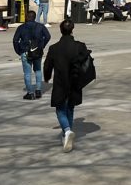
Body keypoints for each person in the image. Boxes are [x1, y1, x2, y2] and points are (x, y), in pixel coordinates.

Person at [43, 18, 89, 152]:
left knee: (60, 109)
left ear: (60, 30)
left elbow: (47, 66)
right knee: (70, 108)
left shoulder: (54, 48)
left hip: (60, 82)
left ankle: (67, 131)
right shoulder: (80, 46)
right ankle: (66, 134)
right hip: (75, 81)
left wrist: (46, 78)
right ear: (72, 29)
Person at [12, 12, 51, 99]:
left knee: (27, 73)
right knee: (38, 70)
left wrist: (19, 51)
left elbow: (15, 40)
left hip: (25, 51)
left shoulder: (21, 27)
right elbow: (48, 36)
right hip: (38, 51)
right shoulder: (40, 26)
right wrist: (42, 46)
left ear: (26, 17)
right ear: (34, 17)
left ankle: (30, 93)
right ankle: (38, 90)